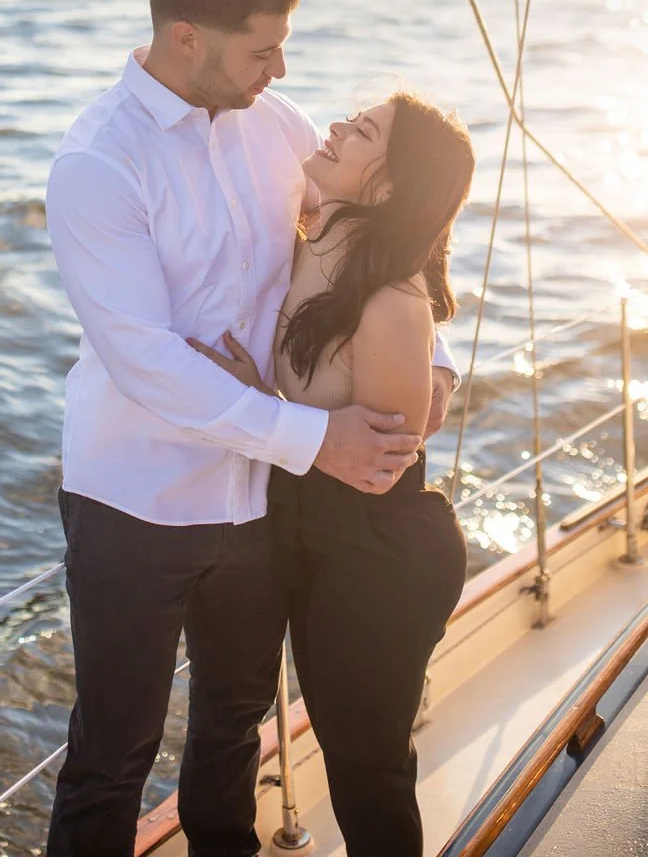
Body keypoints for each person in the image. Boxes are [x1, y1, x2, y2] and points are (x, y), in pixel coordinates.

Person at [44, 0, 459, 857]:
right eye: (262, 48)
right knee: (113, 753)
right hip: (135, 502)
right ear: (187, 37)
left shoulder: (275, 124)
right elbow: (147, 359)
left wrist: (438, 361)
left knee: (234, 726)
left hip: (260, 509)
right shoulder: (98, 164)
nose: (281, 67)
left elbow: (392, 228)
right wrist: (314, 437)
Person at [190, 92, 474, 857]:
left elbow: (379, 466)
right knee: (313, 738)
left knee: (363, 766)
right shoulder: (319, 235)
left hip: (377, 551)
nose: (338, 126)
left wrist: (256, 404)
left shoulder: (388, 306)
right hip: (308, 531)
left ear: (384, 187)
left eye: (365, 129)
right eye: (353, 114)